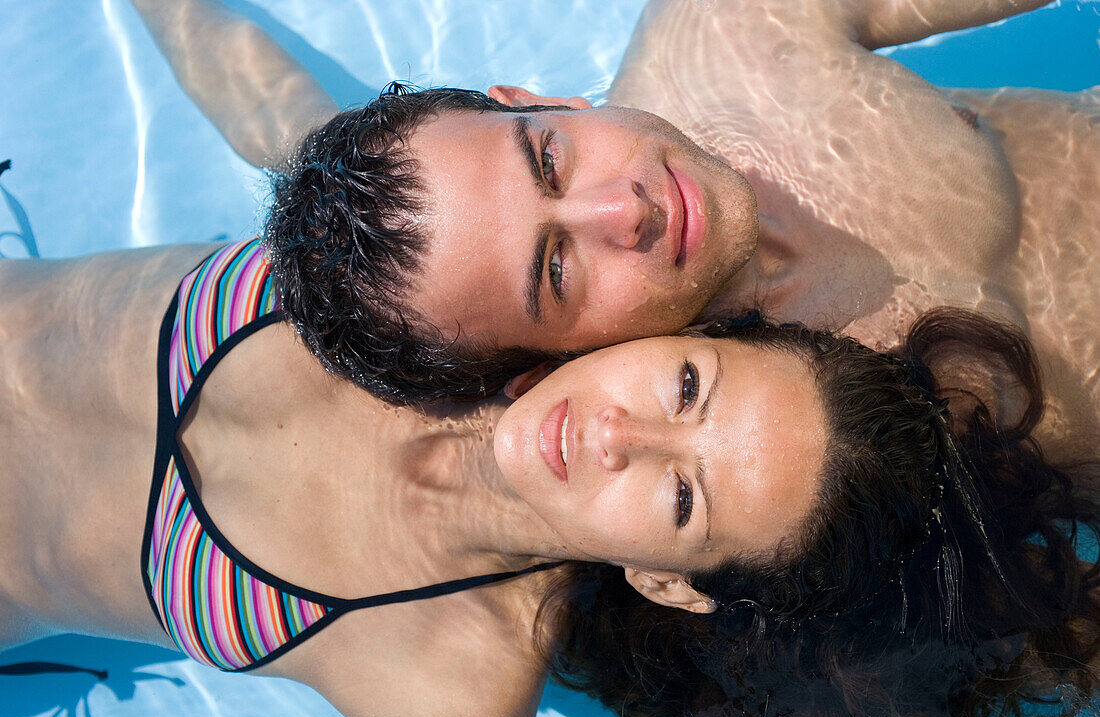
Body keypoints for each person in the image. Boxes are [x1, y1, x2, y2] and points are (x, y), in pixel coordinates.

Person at [0, 236, 1097, 717]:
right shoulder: (472, 273)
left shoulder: (450, 687)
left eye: (681, 500)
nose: (620, 436)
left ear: (668, 583)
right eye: (682, 385)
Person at [130, 0, 1099, 468]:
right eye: (555, 270)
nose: (621, 210)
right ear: (541, 373)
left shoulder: (732, 35)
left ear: (530, 99)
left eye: (547, 159)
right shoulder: (758, 456)